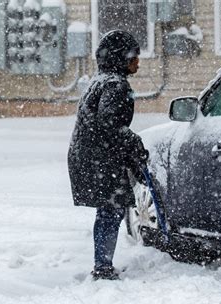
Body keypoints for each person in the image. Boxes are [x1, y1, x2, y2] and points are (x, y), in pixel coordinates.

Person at [68, 30, 149, 281]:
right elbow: (109, 125)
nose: (138, 62)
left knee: (108, 210)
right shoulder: (114, 84)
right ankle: (102, 268)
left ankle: (102, 264)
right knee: (110, 210)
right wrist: (134, 141)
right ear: (119, 58)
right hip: (99, 159)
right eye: (133, 57)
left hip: (92, 156)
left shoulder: (101, 80)